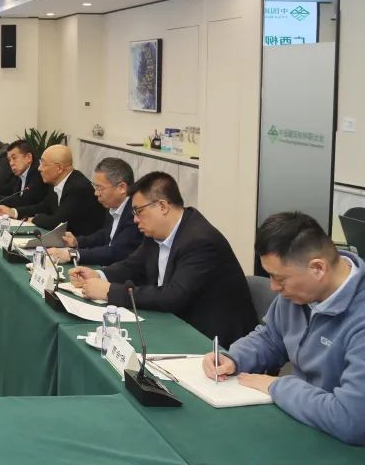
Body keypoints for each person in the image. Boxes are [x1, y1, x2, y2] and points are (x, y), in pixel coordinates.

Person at [203, 212, 365, 445]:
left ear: (318, 268)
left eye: (279, 278)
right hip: (299, 417)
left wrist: (277, 386)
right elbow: (271, 338)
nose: (273, 287)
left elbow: (351, 421)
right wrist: (233, 359)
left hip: (339, 442)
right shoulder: (298, 294)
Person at [69, 171, 257, 344]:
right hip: (174, 323)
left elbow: (173, 296)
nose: (135, 219)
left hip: (212, 340)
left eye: (138, 211)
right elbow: (133, 265)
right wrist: (98, 275)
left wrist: (110, 291)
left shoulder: (200, 241)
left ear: (162, 206)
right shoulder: (156, 232)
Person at [0, 144, 105, 235]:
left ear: (59, 168)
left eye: (44, 164)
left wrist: (34, 219)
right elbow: (43, 206)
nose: (39, 168)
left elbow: (57, 222)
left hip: (83, 245)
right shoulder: (56, 182)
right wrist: (13, 212)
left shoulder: (78, 188)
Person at [47, 157, 142, 265]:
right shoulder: (113, 205)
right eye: (95, 187)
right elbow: (105, 235)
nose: (96, 193)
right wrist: (77, 241)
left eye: (100, 188)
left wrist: (73, 254)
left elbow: (116, 252)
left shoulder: (135, 214)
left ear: (121, 188)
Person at [0, 139, 47, 207]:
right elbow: (7, 190)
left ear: (28, 157)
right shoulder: (20, 173)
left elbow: (24, 201)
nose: (11, 163)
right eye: (9, 160)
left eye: (14, 158)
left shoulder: (38, 173)